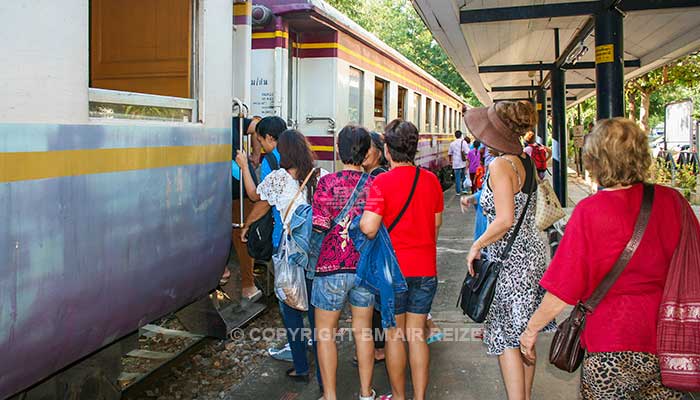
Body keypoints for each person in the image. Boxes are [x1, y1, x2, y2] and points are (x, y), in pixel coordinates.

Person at [520, 118, 686, 400]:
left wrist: (530, 331)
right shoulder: (673, 201)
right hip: (667, 337)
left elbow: (564, 289)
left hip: (610, 341)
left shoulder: (590, 211)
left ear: (594, 160)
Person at [464, 101, 555, 400]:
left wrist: (476, 245)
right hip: (532, 256)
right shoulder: (525, 160)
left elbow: (504, 219)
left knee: (507, 340)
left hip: (510, 262)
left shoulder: (499, 164)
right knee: (526, 337)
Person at [360, 119, 444, 400]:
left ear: (386, 149)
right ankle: (419, 397)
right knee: (417, 335)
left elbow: (369, 228)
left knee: (394, 334)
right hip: (425, 268)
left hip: (392, 272)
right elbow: (436, 224)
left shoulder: (381, 182)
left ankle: (399, 397)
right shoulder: (431, 180)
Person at [239, 129, 323, 388]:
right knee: (317, 314)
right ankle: (323, 374)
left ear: (283, 152)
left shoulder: (278, 179)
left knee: (291, 309)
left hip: (290, 254)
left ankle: (300, 367)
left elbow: (255, 199)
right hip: (317, 254)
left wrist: (243, 166)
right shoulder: (321, 176)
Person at [312, 125, 376, 400]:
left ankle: (331, 396)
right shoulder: (375, 185)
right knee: (363, 332)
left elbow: (319, 225)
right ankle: (365, 393)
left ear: (339, 151)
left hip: (330, 268)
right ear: (366, 153)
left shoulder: (327, 184)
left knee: (325, 334)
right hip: (364, 267)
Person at [226, 116, 263, 301]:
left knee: (237, 232)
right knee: (241, 233)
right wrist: (256, 154)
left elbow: (258, 126)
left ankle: (241, 281)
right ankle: (247, 285)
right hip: (238, 184)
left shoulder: (231, 119)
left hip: (225, 185)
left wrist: (256, 154)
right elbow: (258, 126)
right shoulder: (233, 120)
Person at [361, 132, 389, 365]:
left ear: (379, 151)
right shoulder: (375, 174)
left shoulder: (377, 177)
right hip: (381, 248)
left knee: (376, 304)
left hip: (378, 247)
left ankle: (380, 349)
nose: (363, 152)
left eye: (367, 148)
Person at [448, 130, 470, 195]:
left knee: (457, 177)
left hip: (455, 162)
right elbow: (467, 152)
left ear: (455, 136)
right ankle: (464, 189)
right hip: (463, 162)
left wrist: (450, 161)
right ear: (461, 135)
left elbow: (449, 153)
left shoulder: (452, 144)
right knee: (464, 176)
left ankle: (458, 191)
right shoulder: (464, 142)